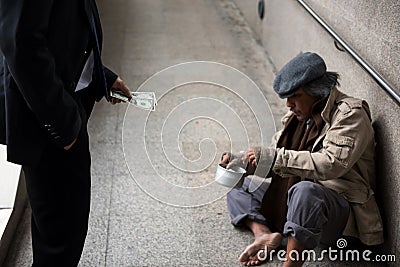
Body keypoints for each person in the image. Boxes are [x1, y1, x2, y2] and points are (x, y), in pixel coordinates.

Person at [221, 52, 384, 266]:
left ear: (316, 91)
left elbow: (330, 164)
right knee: (240, 185)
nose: (289, 104)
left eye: (295, 96)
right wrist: (243, 163)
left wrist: (273, 158)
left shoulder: (350, 115)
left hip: (339, 213)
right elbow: (278, 157)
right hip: (299, 198)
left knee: (305, 191)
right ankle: (263, 234)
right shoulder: (300, 117)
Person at [0, 0, 131, 266]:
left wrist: (98, 75)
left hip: (63, 102)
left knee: (65, 230)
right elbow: (20, 42)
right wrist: (62, 125)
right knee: (59, 243)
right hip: (46, 116)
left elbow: (68, 20)